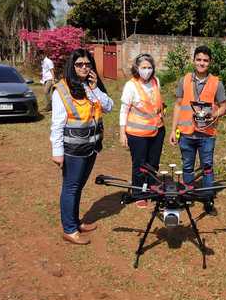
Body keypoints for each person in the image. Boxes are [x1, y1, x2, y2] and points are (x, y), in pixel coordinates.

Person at [50, 49, 114, 245]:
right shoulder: (62, 89)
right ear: (72, 65)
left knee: (79, 186)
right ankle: (69, 229)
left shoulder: (91, 86)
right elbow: (57, 124)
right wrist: (57, 152)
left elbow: (109, 106)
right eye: (80, 64)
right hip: (73, 150)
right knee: (71, 188)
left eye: (87, 64)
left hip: (91, 147)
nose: (84, 68)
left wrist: (95, 88)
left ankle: (75, 222)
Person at [169, 45, 226, 215]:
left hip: (206, 134)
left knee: (207, 167)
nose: (202, 63)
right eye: (199, 59)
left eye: (205, 60)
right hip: (186, 133)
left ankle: (208, 200)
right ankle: (187, 196)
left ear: (210, 62)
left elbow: (223, 107)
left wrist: (214, 114)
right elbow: (178, 105)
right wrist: (173, 130)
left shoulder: (217, 83)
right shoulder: (184, 80)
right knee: (187, 166)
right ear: (194, 60)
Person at [119, 53, 165, 208]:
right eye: (144, 67)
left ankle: (152, 189)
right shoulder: (130, 86)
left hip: (157, 130)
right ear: (137, 68)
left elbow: (157, 103)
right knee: (139, 164)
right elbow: (124, 110)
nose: (147, 70)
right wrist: (122, 132)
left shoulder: (156, 81)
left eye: (150, 67)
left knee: (153, 163)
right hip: (137, 134)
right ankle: (139, 193)